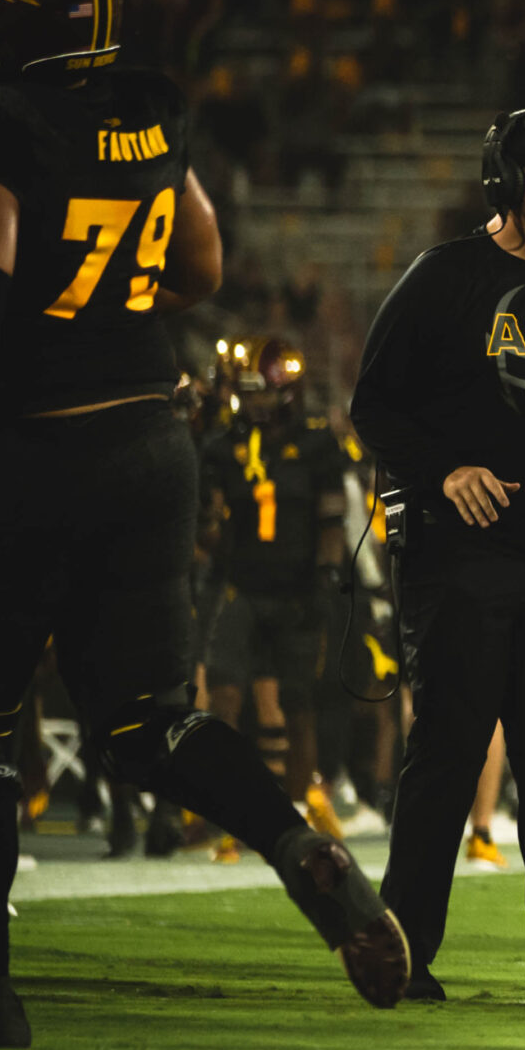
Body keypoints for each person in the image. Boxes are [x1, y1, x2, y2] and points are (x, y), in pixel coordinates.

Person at [0, 0, 407, 1047]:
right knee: (154, 720)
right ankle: (299, 845)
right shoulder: (146, 110)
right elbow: (200, 267)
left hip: (28, 450)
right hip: (151, 445)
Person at [351, 107, 525, 1004]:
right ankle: (407, 949)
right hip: (460, 561)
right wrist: (442, 471)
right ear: (507, 182)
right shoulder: (443, 277)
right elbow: (374, 407)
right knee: (445, 751)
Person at [200, 337, 352, 855]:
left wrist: (326, 576)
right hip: (241, 587)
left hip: (295, 593)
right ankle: (227, 814)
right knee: (223, 700)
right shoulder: (223, 446)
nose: (258, 403)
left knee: (298, 705)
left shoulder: (316, 442)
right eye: (252, 393)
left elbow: (331, 520)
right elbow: (209, 524)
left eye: (266, 393)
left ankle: (292, 829)